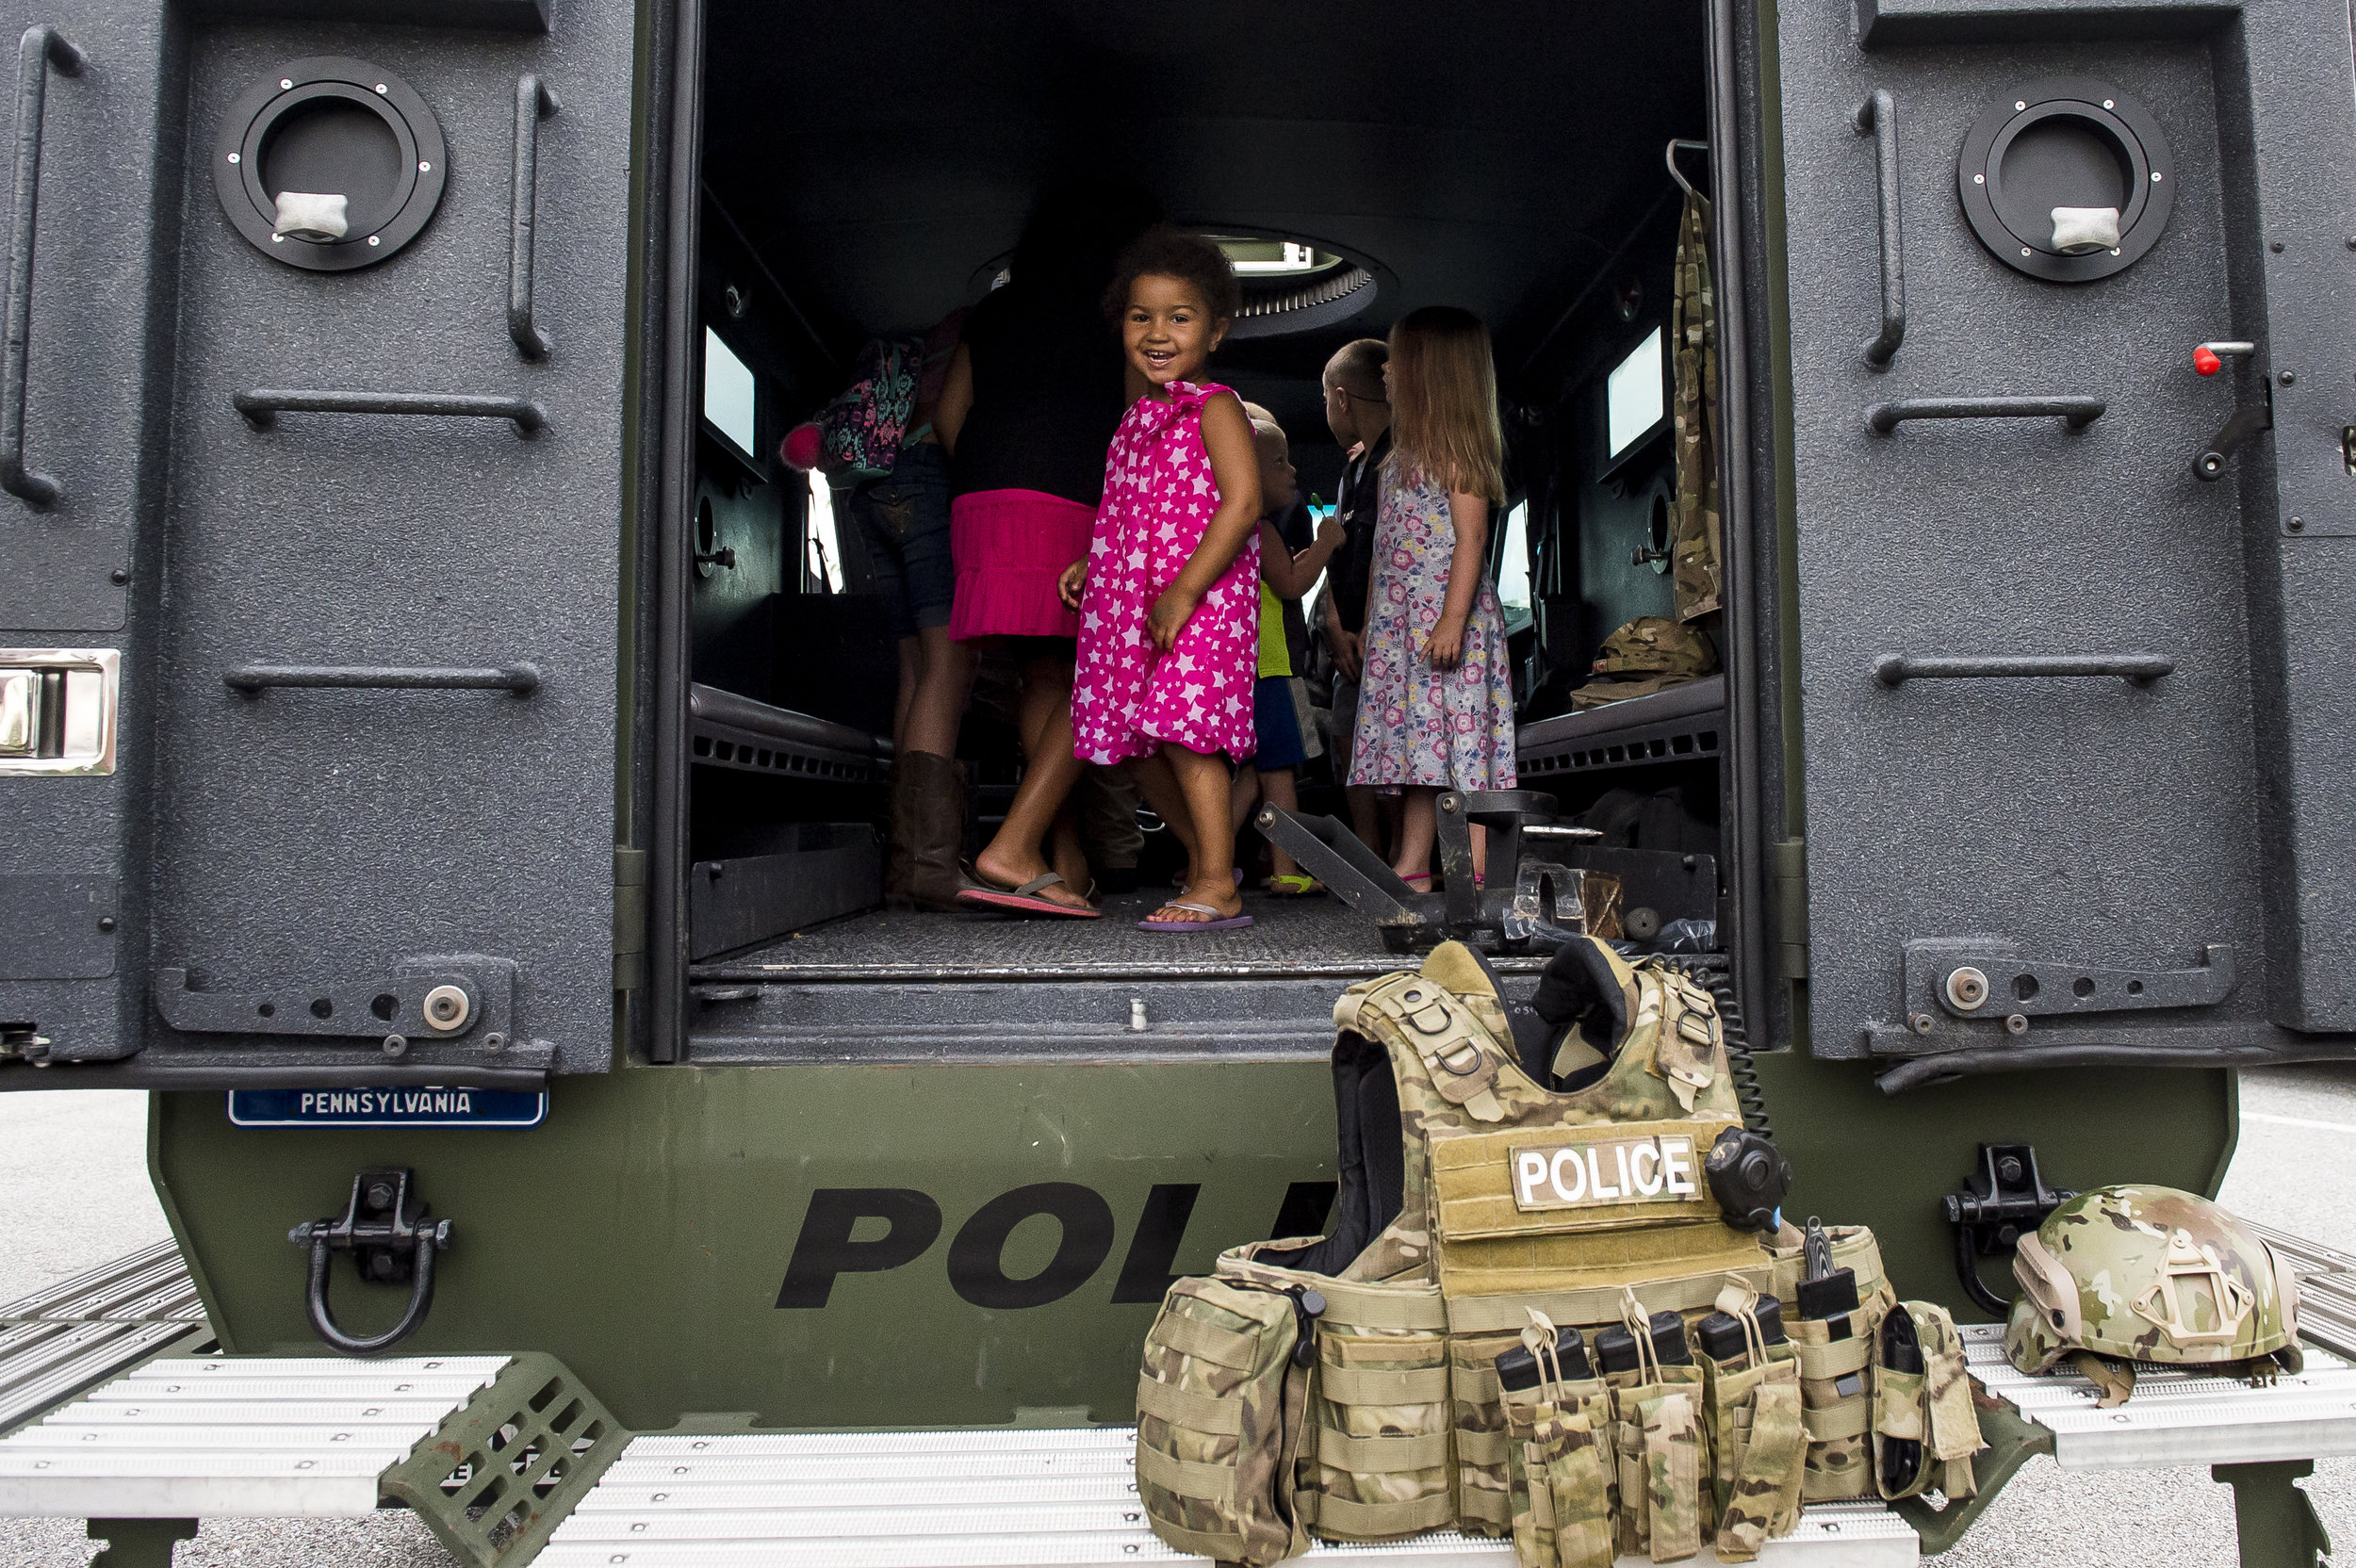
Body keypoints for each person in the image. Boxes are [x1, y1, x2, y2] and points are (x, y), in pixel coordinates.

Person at [932, 183, 1162, 917]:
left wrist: (994, 479)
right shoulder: (1116, 320)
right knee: (1096, 685)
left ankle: (1057, 860)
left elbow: (948, 417)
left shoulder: (993, 313)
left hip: (982, 500)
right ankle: (1013, 844)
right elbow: (1135, 425)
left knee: (1045, 676)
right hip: (1069, 504)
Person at [1065, 226, 1263, 932]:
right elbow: (1126, 512)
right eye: (1140, 316)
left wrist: (1184, 590)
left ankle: (1217, 881)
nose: (1157, 332)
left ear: (1216, 330)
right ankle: (1209, 857)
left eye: (1179, 317)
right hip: (1133, 601)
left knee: (1184, 730)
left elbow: (1244, 504)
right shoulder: (1133, 424)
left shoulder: (1215, 406)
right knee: (1134, 742)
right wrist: (1096, 562)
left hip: (1203, 597)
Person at [1347, 306, 1517, 888]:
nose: (1387, 368)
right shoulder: (1395, 461)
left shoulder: (1457, 454)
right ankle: (1412, 865)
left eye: (1399, 358)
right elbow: (1383, 550)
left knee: (1464, 753)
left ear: (1429, 375)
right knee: (1419, 757)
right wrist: (1372, 619)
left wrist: (1451, 619)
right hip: (1404, 629)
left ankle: (1474, 872)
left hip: (1449, 624)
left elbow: (1472, 539)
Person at [847, 312, 965, 906]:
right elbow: (954, 422)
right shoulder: (979, 329)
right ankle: (927, 862)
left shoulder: (916, 343)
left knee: (914, 669)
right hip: (928, 475)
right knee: (949, 665)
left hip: (873, 487)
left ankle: (904, 860)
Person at [1231, 417, 1343, 894]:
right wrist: (1326, 544)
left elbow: (1275, 579)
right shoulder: (1261, 531)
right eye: (1279, 461)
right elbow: (1292, 584)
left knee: (1251, 773)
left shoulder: (1228, 530)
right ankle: (1288, 869)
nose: (1293, 470)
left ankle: (1202, 857)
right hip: (1272, 669)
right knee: (1279, 773)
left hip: (1239, 670)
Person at [1317, 338, 1396, 859]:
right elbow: (1343, 558)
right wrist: (1332, 623)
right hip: (1346, 636)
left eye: (1325, 398)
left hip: (1388, 631)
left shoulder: (1400, 459)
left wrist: (1370, 624)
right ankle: (1368, 854)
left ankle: (1402, 856)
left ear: (1341, 399)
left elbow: (1394, 550)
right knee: (1348, 743)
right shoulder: (1352, 471)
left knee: (1393, 751)